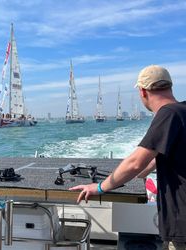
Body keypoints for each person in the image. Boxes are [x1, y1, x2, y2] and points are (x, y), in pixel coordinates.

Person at [69, 65, 186, 250]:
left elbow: (135, 162)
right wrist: (144, 171)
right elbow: (170, 152)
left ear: (143, 92)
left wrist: (100, 187)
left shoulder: (167, 114)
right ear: (170, 86)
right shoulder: (182, 110)